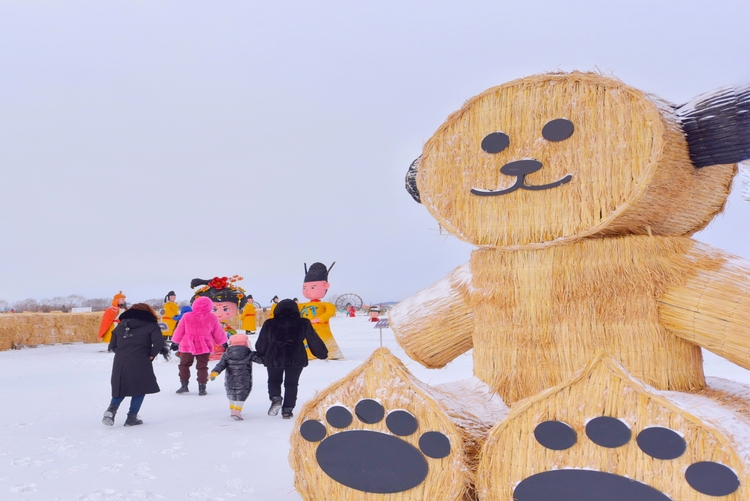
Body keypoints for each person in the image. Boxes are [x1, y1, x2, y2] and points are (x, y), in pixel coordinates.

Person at [255, 298, 328, 419]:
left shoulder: (270, 323)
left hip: (274, 355)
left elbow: (262, 341)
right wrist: (321, 353)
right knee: (292, 384)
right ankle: (287, 410)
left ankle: (276, 397)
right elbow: (313, 338)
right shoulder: (303, 322)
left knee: (274, 380)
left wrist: (261, 353)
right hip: (296, 355)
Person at [102, 303, 166, 427]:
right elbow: (159, 342)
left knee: (120, 386)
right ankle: (132, 417)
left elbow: (113, 345)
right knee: (139, 388)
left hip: (120, 361)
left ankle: (112, 409)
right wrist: (151, 354)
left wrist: (122, 353)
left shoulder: (121, 325)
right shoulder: (150, 325)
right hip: (141, 359)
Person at [171, 296, 227, 396]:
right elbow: (218, 331)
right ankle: (202, 387)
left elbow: (180, 330)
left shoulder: (187, 316)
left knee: (184, 365)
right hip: (204, 344)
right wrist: (222, 341)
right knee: (202, 366)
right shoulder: (212, 317)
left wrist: (175, 340)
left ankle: (184, 385)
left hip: (187, 344)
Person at [298, 262, 344, 359]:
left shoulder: (326, 305)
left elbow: (330, 312)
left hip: (321, 328)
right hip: (306, 329)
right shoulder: (302, 305)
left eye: (312, 287)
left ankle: (330, 354)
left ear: (325, 286)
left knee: (323, 341)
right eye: (304, 288)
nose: (307, 290)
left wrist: (319, 319)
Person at [209, 334, 261, 420]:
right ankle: (237, 411)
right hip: (244, 379)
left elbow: (220, 365)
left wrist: (214, 372)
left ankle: (233, 410)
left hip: (230, 379)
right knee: (242, 394)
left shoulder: (226, 354)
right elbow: (259, 360)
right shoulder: (249, 354)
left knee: (231, 393)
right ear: (247, 343)